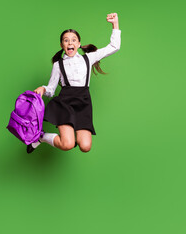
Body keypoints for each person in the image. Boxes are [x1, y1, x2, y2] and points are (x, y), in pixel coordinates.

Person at [27, 13, 121, 153]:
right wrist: (43, 89)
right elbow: (51, 89)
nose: (70, 43)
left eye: (73, 40)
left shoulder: (89, 58)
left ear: (78, 44)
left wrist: (115, 24)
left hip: (83, 104)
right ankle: (40, 137)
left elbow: (114, 46)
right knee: (67, 144)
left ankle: (45, 137)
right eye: (66, 40)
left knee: (85, 146)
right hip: (64, 104)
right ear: (62, 45)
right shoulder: (58, 65)